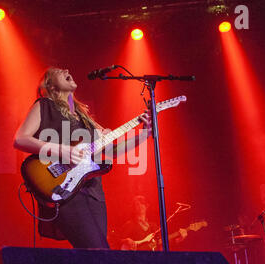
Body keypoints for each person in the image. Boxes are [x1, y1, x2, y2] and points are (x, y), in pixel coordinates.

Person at [13, 67, 151, 249]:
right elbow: (20, 139)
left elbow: (113, 151)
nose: (67, 70)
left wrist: (144, 135)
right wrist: (63, 150)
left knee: (92, 255)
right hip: (64, 188)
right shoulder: (44, 106)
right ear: (51, 86)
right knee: (99, 252)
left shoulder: (86, 118)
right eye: (59, 71)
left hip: (94, 193)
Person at [118, 195, 188, 251]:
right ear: (133, 208)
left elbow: (161, 242)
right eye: (137, 204)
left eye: (142, 203)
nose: (140, 206)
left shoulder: (153, 225)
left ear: (146, 206)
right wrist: (126, 241)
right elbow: (118, 241)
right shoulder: (130, 224)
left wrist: (179, 239)